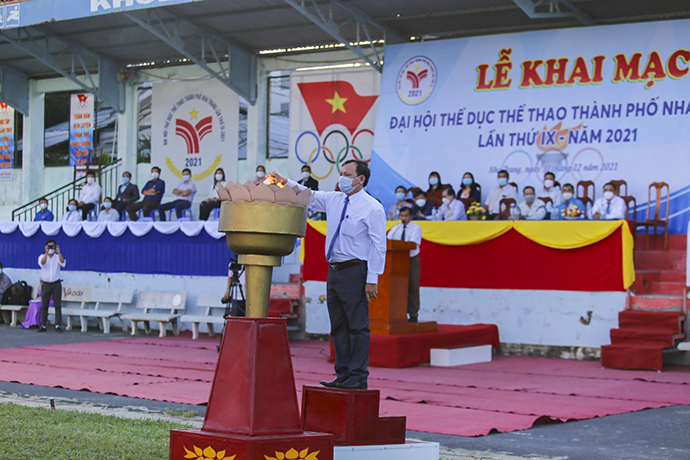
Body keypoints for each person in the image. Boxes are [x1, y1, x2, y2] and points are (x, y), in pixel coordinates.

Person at [269, 160, 386, 390]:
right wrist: (278, 180)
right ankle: (342, 374)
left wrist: (372, 279)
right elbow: (306, 194)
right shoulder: (334, 199)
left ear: (361, 179)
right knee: (339, 325)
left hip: (355, 271)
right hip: (334, 270)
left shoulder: (372, 207)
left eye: (347, 174)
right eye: (341, 173)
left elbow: (379, 245)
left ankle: (358, 375)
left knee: (357, 326)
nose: (341, 178)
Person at [386, 207, 422, 323]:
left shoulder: (416, 228)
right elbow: (388, 241)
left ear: (410, 217)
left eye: (406, 216)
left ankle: (413, 314)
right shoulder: (396, 228)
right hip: (397, 261)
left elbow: (412, 244)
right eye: (401, 216)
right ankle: (397, 313)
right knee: (397, 287)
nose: (403, 218)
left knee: (413, 286)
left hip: (411, 260)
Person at [38, 240, 66, 333]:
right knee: (44, 305)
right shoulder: (42, 256)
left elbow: (63, 263)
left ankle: (58, 325)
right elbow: (42, 263)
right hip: (46, 284)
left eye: (52, 247)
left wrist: (59, 252)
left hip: (56, 283)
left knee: (57, 305)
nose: (51, 249)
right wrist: (46, 253)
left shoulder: (57, 257)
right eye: (49, 247)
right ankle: (43, 325)